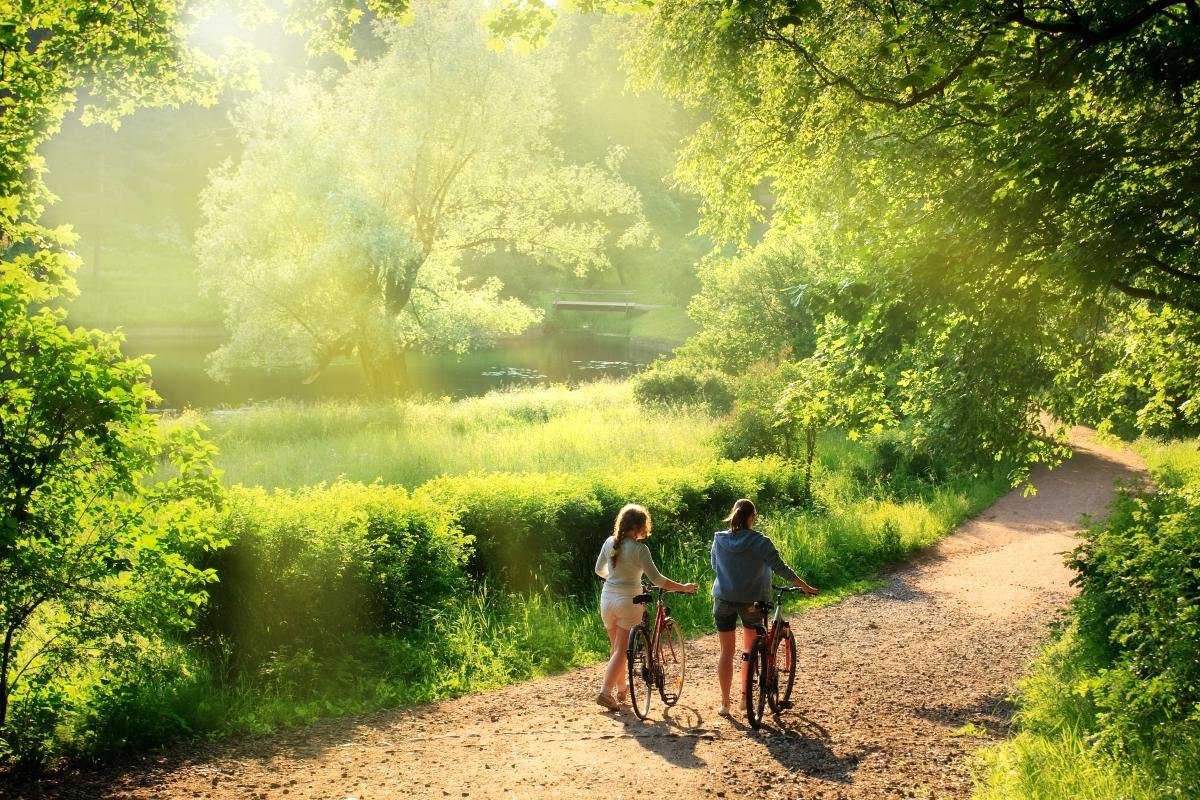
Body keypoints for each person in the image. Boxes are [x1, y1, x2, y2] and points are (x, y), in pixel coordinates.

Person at [711, 498, 817, 717]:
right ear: (752, 517)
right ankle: (743, 699)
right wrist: (804, 586)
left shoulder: (719, 540)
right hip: (752, 602)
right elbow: (781, 568)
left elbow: (715, 566)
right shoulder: (760, 541)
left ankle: (724, 704)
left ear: (734, 515)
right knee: (749, 651)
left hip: (723, 600)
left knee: (726, 651)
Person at [594, 503, 697, 711]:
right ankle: (605, 693)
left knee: (616, 650)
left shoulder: (609, 542)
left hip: (607, 599)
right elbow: (658, 580)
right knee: (621, 650)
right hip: (628, 601)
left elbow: (599, 570)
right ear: (639, 526)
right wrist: (684, 588)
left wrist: (616, 578)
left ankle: (622, 690)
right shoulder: (640, 549)